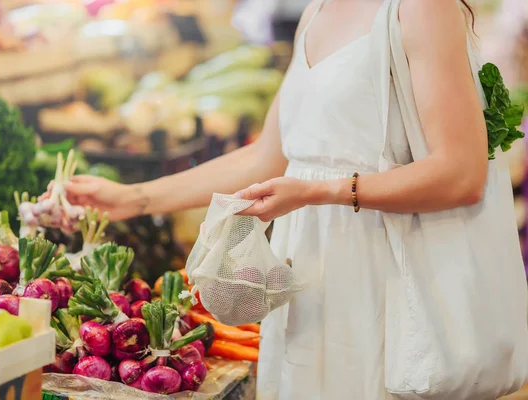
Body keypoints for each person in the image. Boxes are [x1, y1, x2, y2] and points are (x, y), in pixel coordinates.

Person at [62, 1, 513, 398]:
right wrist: (132, 198)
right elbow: (268, 158)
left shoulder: (421, 8)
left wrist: (322, 192)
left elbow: (461, 172)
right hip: (308, 284)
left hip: (382, 276)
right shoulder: (316, 14)